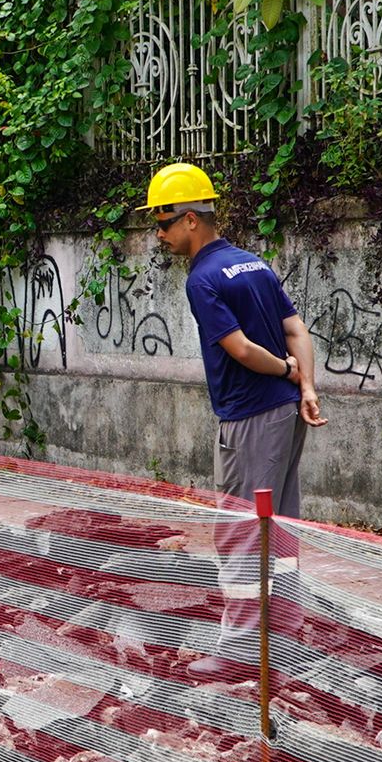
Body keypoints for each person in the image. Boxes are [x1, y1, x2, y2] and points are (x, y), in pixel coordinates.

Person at [143, 162, 327, 516]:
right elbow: (295, 329)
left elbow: (240, 348)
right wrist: (307, 388)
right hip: (288, 413)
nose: (159, 235)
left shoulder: (202, 279)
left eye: (164, 224)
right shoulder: (254, 264)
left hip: (250, 417)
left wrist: (286, 370)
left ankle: (249, 576)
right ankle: (283, 575)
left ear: (191, 220)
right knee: (282, 521)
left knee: (241, 529)